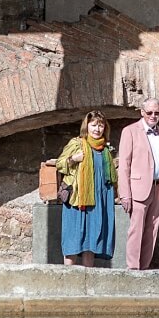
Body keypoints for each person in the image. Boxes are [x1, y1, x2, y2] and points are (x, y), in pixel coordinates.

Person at [117, 98, 159, 270]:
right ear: (142, 112)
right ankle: (133, 268)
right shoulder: (130, 131)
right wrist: (125, 193)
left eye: (157, 113)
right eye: (149, 112)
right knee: (136, 229)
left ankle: (144, 267)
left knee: (152, 229)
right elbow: (124, 166)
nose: (153, 116)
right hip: (138, 188)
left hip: (158, 186)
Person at [55, 111, 117, 267]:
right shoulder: (77, 144)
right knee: (73, 237)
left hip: (98, 199)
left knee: (92, 239)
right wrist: (73, 159)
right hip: (78, 199)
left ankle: (88, 277)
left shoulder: (105, 149)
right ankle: (68, 276)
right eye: (94, 125)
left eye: (101, 125)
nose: (97, 129)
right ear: (87, 126)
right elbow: (60, 164)